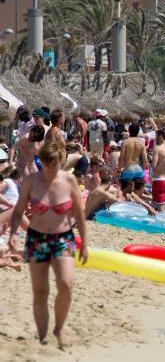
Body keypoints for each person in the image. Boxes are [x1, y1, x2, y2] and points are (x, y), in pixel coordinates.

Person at [8, 142, 88, 347]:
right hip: (37, 238)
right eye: (47, 164)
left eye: (54, 165)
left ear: (60, 161)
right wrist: (13, 235)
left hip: (63, 238)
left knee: (66, 283)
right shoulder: (31, 181)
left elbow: (79, 214)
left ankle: (59, 329)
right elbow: (18, 212)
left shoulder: (69, 180)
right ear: (41, 161)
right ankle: (43, 338)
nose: (50, 169)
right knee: (40, 291)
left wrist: (85, 244)